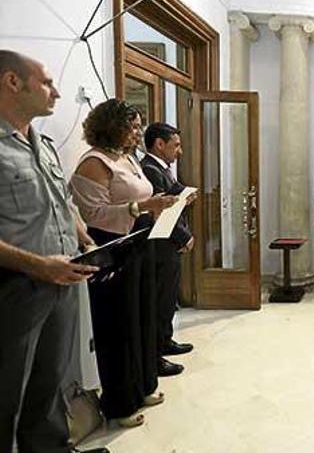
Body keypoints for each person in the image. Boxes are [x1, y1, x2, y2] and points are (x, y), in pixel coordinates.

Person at [0, 50, 108, 453]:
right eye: (46, 82)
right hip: (16, 287)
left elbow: (65, 204)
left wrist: (87, 242)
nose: (57, 92)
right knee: (9, 390)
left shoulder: (41, 144)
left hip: (61, 279)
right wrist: (38, 265)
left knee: (50, 383)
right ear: (13, 82)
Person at [70, 99, 175, 428]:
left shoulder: (127, 158)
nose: (136, 132)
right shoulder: (94, 162)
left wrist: (158, 205)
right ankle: (119, 402)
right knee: (117, 327)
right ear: (110, 125)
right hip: (112, 251)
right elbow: (91, 215)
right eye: (130, 126)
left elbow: (141, 197)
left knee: (141, 319)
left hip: (138, 246)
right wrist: (141, 207)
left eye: (137, 125)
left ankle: (143, 385)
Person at [141, 123, 196, 372]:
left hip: (168, 244)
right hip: (162, 244)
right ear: (159, 144)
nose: (180, 151)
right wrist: (184, 237)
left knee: (168, 297)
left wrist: (184, 197)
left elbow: (173, 200)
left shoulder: (162, 168)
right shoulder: (150, 170)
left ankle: (165, 341)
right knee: (160, 299)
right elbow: (162, 210)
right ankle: (156, 354)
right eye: (176, 145)